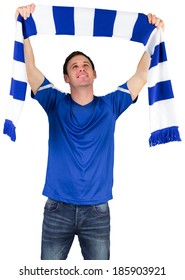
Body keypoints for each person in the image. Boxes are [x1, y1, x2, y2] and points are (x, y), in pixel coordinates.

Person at [16, 4, 165, 260]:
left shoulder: (111, 104)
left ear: (95, 73)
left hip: (97, 212)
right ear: (66, 77)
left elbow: (142, 75)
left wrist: (154, 36)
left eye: (86, 64)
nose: (81, 68)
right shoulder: (54, 101)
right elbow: (31, 71)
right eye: (74, 66)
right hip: (57, 209)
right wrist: (24, 30)